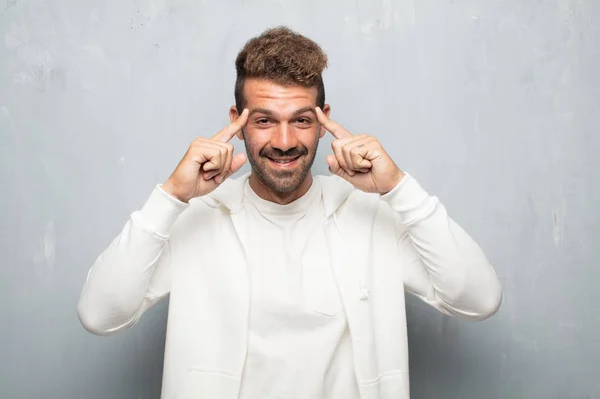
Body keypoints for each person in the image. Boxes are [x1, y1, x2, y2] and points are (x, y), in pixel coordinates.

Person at [77, 26, 502, 399]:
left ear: (323, 121)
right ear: (236, 122)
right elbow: (100, 315)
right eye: (264, 121)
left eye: (300, 120)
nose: (283, 141)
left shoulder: (372, 215)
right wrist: (171, 196)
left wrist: (397, 188)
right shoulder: (196, 217)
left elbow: (479, 299)